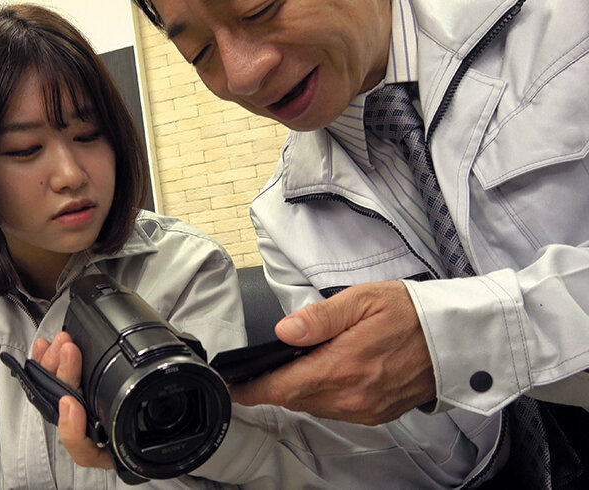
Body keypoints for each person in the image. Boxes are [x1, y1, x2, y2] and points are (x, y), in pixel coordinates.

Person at [0, 4, 513, 489]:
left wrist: (136, 440)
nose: (71, 173)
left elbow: (237, 465)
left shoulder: (183, 267)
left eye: (88, 136)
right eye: (26, 150)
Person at [129, 0, 589, 487]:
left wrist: (460, 340)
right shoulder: (283, 220)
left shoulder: (565, 25)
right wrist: (206, 439)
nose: (242, 75)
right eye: (200, 52)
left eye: (259, 7)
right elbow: (430, 463)